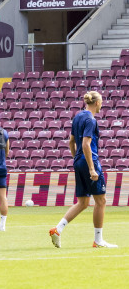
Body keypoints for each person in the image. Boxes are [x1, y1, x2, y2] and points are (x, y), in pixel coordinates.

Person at [49, 91, 117, 248]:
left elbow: (71, 142)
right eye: (101, 102)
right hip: (89, 161)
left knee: (83, 202)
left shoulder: (78, 117)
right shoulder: (90, 120)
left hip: (79, 161)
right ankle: (98, 240)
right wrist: (92, 168)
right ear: (97, 103)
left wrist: (76, 159)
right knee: (101, 200)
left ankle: (57, 229)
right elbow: (86, 144)